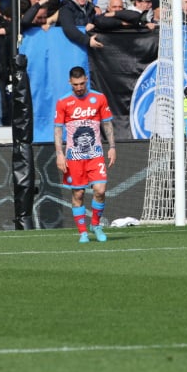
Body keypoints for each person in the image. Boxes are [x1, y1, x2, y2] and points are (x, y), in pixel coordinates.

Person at [54, 66, 117, 243]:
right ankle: (82, 232)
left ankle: (95, 225)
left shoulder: (99, 98)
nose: (79, 87)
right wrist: (59, 154)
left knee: (100, 189)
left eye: (82, 83)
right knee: (78, 194)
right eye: (75, 84)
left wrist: (112, 146)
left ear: (86, 80)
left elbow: (107, 124)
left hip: (95, 155)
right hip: (74, 157)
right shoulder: (63, 102)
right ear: (70, 82)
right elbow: (58, 130)